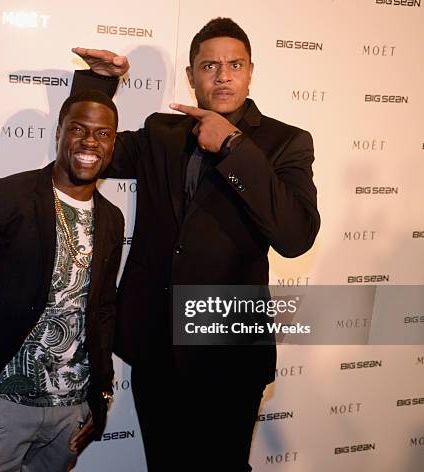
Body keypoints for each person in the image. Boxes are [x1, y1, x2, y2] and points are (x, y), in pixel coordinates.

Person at [70, 17, 320, 471]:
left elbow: (296, 236)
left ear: (249, 71)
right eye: (209, 65)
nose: (222, 75)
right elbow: (90, 154)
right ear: (191, 76)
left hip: (230, 353)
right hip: (156, 348)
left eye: (234, 64)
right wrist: (97, 88)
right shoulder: (161, 134)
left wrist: (234, 147)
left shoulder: (286, 143)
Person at [0, 90, 124, 471]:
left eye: (103, 134)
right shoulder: (3, 197)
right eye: (78, 129)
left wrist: (100, 393)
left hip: (70, 411)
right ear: (59, 133)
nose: (90, 142)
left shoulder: (113, 217)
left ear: (114, 144)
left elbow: (102, 309)